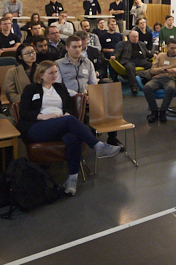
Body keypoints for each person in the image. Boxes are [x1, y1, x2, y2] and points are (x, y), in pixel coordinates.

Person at [18, 60, 119, 195]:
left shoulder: (60, 87)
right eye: (51, 73)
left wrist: (66, 113)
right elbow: (24, 112)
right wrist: (42, 116)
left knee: (74, 138)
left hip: (60, 123)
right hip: (37, 126)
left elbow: (69, 107)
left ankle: (72, 179)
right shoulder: (31, 89)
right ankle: (98, 146)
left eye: (56, 72)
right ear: (41, 75)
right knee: (69, 120)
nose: (54, 75)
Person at [143, 40, 176, 123]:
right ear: (167, 48)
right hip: (158, 78)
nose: (174, 50)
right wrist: (162, 70)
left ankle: (163, 111)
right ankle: (154, 111)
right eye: (172, 48)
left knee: (171, 88)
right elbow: (152, 70)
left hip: (171, 79)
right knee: (147, 87)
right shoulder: (160, 56)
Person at [111, 30, 152, 94]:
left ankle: (147, 82)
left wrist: (154, 55)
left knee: (150, 65)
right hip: (129, 60)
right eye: (134, 37)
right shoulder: (123, 44)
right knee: (130, 67)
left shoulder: (141, 44)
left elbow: (147, 53)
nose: (136, 38)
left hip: (140, 60)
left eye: (137, 36)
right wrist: (115, 56)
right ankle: (133, 87)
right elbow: (118, 52)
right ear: (130, 37)